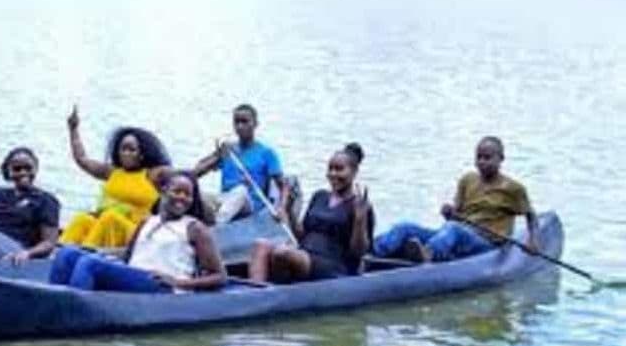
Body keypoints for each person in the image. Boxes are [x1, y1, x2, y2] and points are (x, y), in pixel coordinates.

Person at [50, 171, 226, 293]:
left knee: (90, 264)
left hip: (162, 286)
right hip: (134, 276)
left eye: (188, 195)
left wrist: (179, 282)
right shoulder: (147, 221)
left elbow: (220, 276)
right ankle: (54, 301)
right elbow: (128, 254)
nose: (182, 197)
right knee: (68, 253)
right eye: (177, 191)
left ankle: (74, 312)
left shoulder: (194, 228)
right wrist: (96, 251)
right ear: (163, 191)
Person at [373, 136, 538, 263]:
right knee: (405, 227)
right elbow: (456, 216)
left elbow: (531, 215)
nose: (481, 162)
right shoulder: (468, 180)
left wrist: (532, 241)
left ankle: (428, 254)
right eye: (479, 157)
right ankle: (374, 252)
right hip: (459, 233)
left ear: (500, 158)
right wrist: (449, 212)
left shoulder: (513, 188)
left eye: (487, 158)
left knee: (453, 229)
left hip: (486, 243)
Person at [248, 144, 374, 283]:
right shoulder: (319, 196)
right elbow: (301, 235)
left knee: (282, 253)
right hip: (304, 253)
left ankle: (279, 288)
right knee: (261, 245)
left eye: (339, 169)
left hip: (333, 264)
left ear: (354, 171)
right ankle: (257, 291)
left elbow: (358, 252)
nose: (333, 174)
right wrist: (290, 211)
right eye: (330, 169)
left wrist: (359, 220)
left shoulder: (360, 205)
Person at [60, 105, 172, 248]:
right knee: (82, 219)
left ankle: (86, 251)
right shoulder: (112, 172)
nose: (126, 153)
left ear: (142, 154)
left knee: (110, 218)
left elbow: (189, 175)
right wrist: (73, 129)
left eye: (131, 150)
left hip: (135, 232)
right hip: (103, 225)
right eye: (123, 149)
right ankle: (58, 252)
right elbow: (82, 160)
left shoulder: (152, 174)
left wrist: (204, 163)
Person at [194, 104, 286, 224]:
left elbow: (283, 185)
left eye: (244, 122)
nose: (240, 126)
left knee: (241, 191)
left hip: (249, 203)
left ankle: (217, 223)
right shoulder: (228, 150)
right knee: (196, 194)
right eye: (236, 122)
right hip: (224, 199)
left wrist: (281, 208)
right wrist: (218, 155)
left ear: (255, 124)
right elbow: (196, 173)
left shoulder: (266, 153)